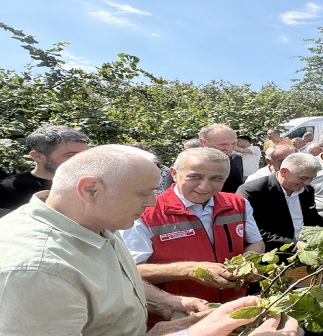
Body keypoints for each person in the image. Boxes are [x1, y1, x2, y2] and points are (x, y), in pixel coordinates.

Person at [0, 144, 300, 336]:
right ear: (90, 189)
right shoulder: (37, 269)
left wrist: (170, 304)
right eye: (143, 194)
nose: (150, 204)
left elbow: (119, 280)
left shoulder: (96, 226)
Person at [122, 148, 265, 326]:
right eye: (194, 177)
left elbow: (256, 242)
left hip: (233, 313)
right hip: (175, 319)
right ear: (174, 174)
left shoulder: (238, 204)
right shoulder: (145, 211)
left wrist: (246, 261)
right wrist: (190, 270)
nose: (204, 186)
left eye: (216, 178)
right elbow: (130, 270)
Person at [237, 153, 323, 252]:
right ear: (284, 172)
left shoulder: (307, 191)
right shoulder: (254, 191)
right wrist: (295, 246)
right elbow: (253, 231)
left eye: (311, 178)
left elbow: (312, 219)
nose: (307, 183)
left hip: (305, 254)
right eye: (303, 178)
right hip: (271, 257)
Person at [0, 125, 89, 210]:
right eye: (71, 155)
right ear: (38, 156)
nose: (81, 159)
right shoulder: (9, 190)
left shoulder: (92, 183)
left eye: (85, 154)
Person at [198, 124, 244, 192]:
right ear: (203, 142)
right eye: (223, 144)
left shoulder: (235, 160)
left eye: (234, 144)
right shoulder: (189, 162)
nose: (230, 149)